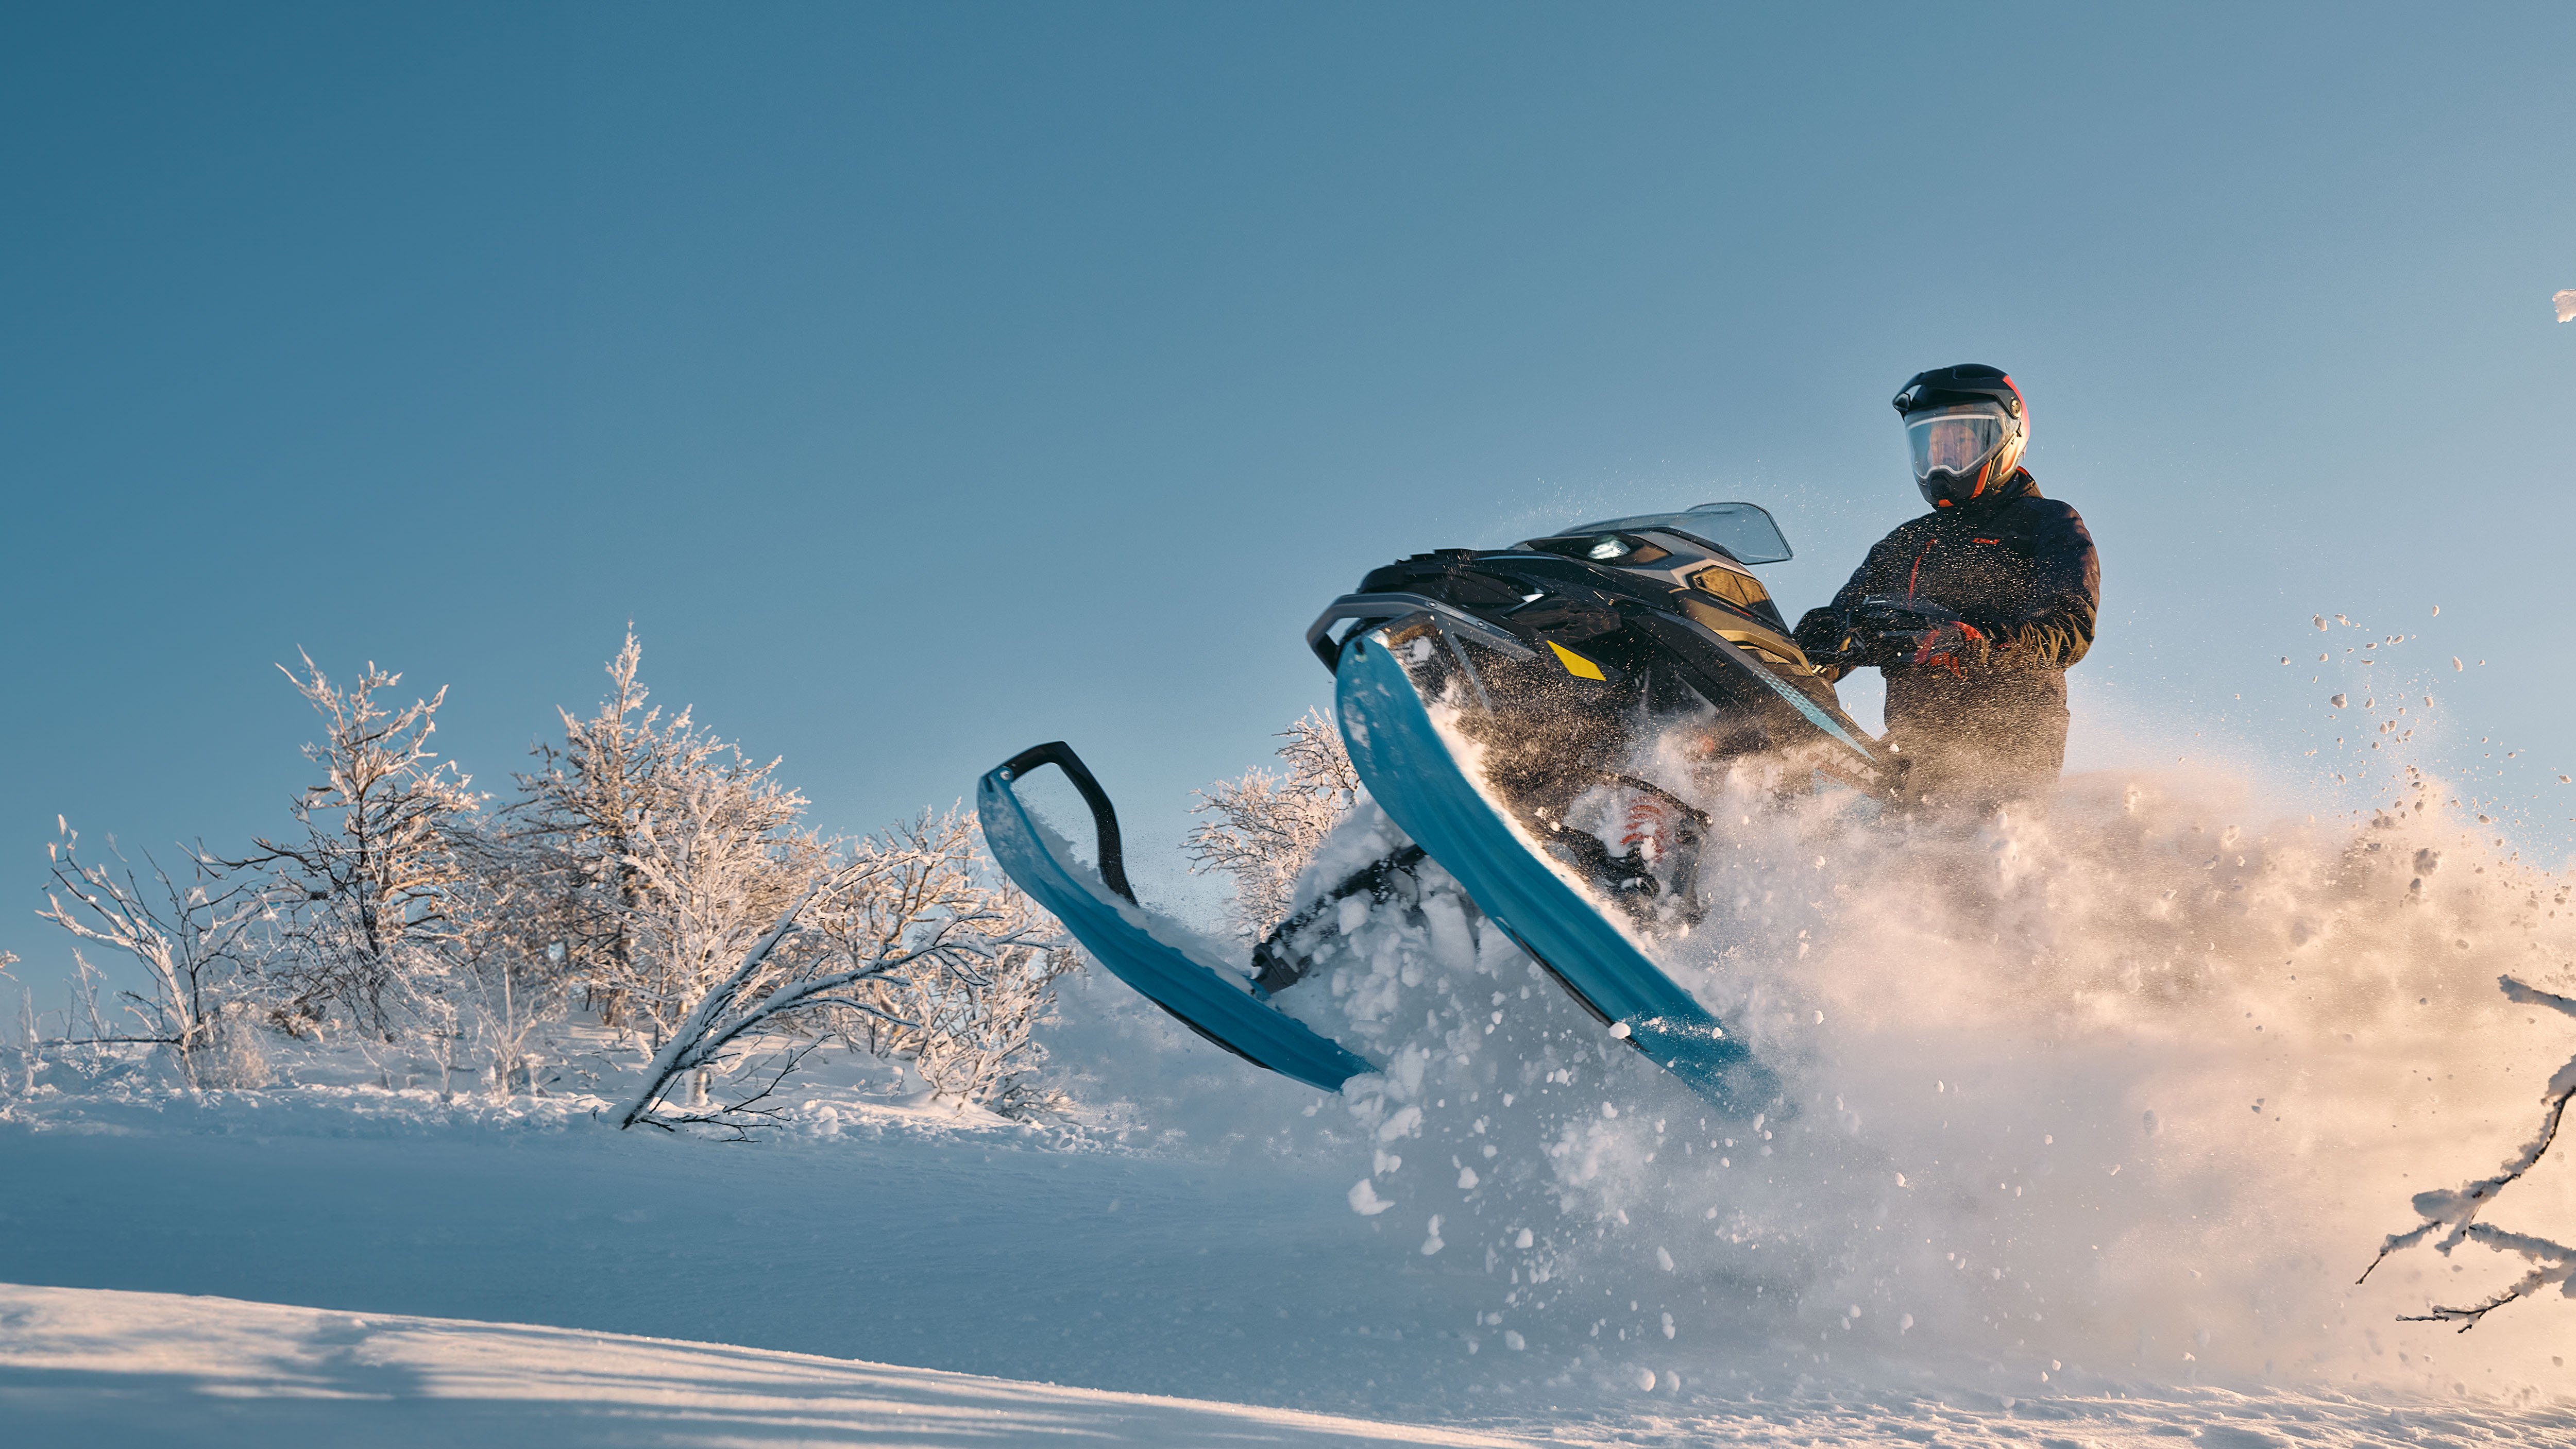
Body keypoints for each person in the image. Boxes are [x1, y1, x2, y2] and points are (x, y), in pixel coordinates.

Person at [1793, 364, 2100, 809]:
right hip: (1913, 747)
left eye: (1960, 442)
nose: (1943, 460)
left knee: (1966, 860)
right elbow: (1843, 622)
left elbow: (2070, 628)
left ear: (2003, 437)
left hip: (2009, 742)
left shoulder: (2048, 521)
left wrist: (1975, 643)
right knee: (1849, 831)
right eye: (1932, 446)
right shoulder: (1905, 542)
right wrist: (1817, 643)